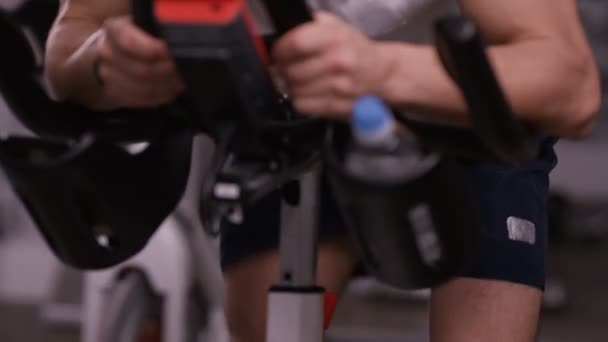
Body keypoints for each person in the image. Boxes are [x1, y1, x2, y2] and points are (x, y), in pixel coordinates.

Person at [45, 0, 601, 341]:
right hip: (289, 113)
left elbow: (570, 87)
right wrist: (105, 61)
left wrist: (380, 69)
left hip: (462, 109)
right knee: (270, 331)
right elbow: (73, 40)